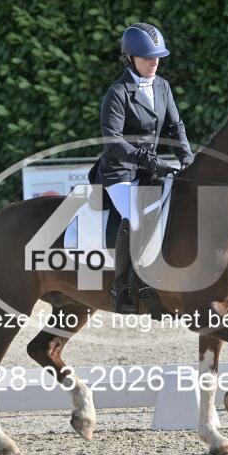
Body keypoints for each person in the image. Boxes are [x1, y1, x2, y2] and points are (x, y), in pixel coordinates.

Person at [88, 22, 195, 313]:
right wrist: (151, 160)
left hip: (149, 171)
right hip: (119, 173)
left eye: (157, 57)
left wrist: (187, 158)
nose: (154, 62)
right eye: (148, 57)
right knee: (137, 217)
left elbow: (175, 126)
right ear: (130, 58)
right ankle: (123, 287)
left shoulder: (162, 86)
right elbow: (113, 140)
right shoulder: (118, 92)